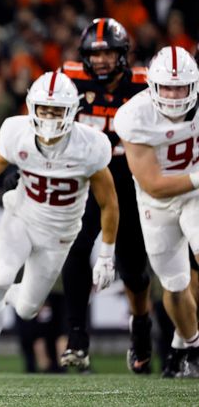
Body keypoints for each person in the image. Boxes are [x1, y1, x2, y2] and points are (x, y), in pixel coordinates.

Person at [0, 71, 119, 380]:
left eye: (56, 110)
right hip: (20, 218)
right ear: (31, 106)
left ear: (72, 111)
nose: (48, 117)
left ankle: (10, 295)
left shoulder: (90, 145)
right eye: (43, 109)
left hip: (59, 234)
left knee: (27, 310)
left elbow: (109, 203)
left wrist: (106, 254)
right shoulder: (17, 133)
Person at [60, 17, 153, 372]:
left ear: (123, 54)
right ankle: (77, 335)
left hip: (131, 181)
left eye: (108, 53)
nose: (99, 61)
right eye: (93, 54)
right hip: (88, 179)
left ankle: (141, 324)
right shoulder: (69, 79)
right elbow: (41, 118)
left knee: (133, 270)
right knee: (77, 247)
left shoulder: (146, 84)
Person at [114, 46, 199, 378]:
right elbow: (152, 184)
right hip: (157, 201)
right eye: (167, 87)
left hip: (196, 195)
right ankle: (189, 346)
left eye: (181, 87)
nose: (175, 95)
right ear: (152, 86)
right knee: (174, 285)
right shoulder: (134, 115)